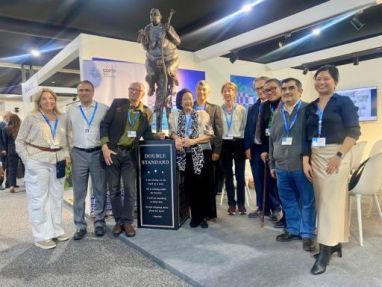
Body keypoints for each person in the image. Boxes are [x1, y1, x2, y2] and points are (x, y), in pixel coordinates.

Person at [302, 65, 360, 275]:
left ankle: (325, 249)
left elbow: (354, 132)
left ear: (335, 82)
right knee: (324, 202)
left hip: (338, 156)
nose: (321, 82)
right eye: (318, 79)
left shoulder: (343, 102)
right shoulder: (310, 107)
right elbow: (304, 137)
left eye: (326, 79)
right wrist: (305, 161)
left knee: (329, 204)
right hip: (316, 156)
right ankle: (335, 243)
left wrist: (338, 156)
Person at [100, 82, 163, 238]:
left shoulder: (147, 112)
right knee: (114, 190)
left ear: (143, 94)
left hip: (130, 155)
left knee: (130, 190)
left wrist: (158, 136)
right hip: (113, 153)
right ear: (128, 91)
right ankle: (118, 222)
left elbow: (147, 134)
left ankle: (127, 222)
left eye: (138, 90)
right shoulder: (118, 103)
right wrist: (104, 147)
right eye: (132, 89)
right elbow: (104, 124)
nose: (134, 92)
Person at [15, 88, 70, 249]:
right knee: (39, 199)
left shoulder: (61, 118)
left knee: (57, 196)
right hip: (38, 161)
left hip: (58, 161)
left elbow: (65, 140)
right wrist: (28, 160)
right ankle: (41, 236)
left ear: (55, 101)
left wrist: (65, 155)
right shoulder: (31, 118)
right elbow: (19, 141)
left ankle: (56, 230)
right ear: (39, 102)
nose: (49, 101)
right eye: (45, 99)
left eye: (51, 98)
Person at [269, 78, 316, 251]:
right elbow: (272, 140)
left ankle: (309, 234)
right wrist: (272, 165)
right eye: (285, 89)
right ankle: (294, 229)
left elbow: (314, 139)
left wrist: (310, 161)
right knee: (287, 201)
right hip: (281, 167)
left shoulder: (308, 110)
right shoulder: (276, 113)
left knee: (307, 201)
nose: (287, 92)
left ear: (300, 91)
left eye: (291, 88)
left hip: (302, 166)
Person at [66, 80, 109, 240]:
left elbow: (108, 131)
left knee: (99, 190)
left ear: (93, 92)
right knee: (79, 192)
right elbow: (65, 133)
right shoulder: (70, 110)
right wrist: (67, 152)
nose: (84, 92)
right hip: (78, 154)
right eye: (81, 90)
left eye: (87, 90)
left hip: (98, 153)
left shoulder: (103, 109)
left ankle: (99, 222)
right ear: (77, 92)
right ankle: (80, 225)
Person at [169, 89, 214, 228]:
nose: (188, 101)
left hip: (200, 155)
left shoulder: (202, 114)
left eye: (189, 98)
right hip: (184, 156)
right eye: (184, 99)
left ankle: (203, 217)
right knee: (189, 187)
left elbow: (210, 134)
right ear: (180, 102)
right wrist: (176, 139)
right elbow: (172, 133)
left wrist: (193, 141)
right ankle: (195, 215)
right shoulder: (175, 116)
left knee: (202, 186)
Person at [138, 8, 181, 131]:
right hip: (153, 60)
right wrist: (142, 39)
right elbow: (146, 47)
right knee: (150, 74)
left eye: (155, 14)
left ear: (160, 16)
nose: (153, 16)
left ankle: (172, 84)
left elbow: (178, 41)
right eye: (151, 14)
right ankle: (151, 86)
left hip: (169, 58)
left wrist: (169, 32)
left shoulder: (166, 26)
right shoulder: (147, 28)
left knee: (169, 73)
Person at [256, 78, 284, 227]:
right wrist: (263, 150)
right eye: (267, 90)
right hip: (269, 149)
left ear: (281, 88)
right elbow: (261, 129)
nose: (270, 92)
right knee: (270, 181)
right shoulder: (265, 106)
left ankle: (287, 216)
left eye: (273, 89)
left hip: (285, 150)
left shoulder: (286, 104)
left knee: (284, 185)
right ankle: (276, 209)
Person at [194, 80, 223, 218]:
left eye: (204, 90)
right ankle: (196, 212)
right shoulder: (189, 105)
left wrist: (217, 151)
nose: (201, 92)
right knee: (195, 182)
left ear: (208, 92)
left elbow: (218, 131)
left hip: (209, 150)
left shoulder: (215, 108)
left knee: (208, 182)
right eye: (199, 89)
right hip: (192, 150)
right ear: (196, 91)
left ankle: (209, 213)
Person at [244, 76, 271, 218]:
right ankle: (261, 207)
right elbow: (248, 129)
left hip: (270, 149)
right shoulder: (253, 108)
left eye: (263, 88)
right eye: (257, 89)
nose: (260, 91)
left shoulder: (275, 106)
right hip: (255, 149)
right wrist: (247, 148)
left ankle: (274, 208)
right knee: (258, 179)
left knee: (271, 181)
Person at [220, 82, 247, 215]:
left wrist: (247, 147)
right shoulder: (219, 110)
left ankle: (241, 203)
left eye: (230, 90)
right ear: (222, 93)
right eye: (225, 90)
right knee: (228, 176)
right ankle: (231, 204)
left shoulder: (241, 109)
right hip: (225, 144)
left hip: (238, 143)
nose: (227, 93)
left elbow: (245, 129)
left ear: (235, 93)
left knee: (240, 176)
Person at [3, 114, 22, 193]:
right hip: (21, 149)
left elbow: (5, 142)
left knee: (11, 168)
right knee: (27, 166)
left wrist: (6, 150)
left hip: (11, 150)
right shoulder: (21, 128)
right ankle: (29, 183)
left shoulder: (6, 129)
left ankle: (12, 186)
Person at [0, 111, 12, 189]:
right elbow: (0, 139)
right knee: (2, 167)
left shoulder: (7, 125)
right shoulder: (2, 125)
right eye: (9, 117)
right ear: (6, 117)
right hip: (2, 150)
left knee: (7, 166)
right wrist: (2, 149)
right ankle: (2, 183)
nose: (10, 118)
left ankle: (8, 183)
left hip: (6, 149)